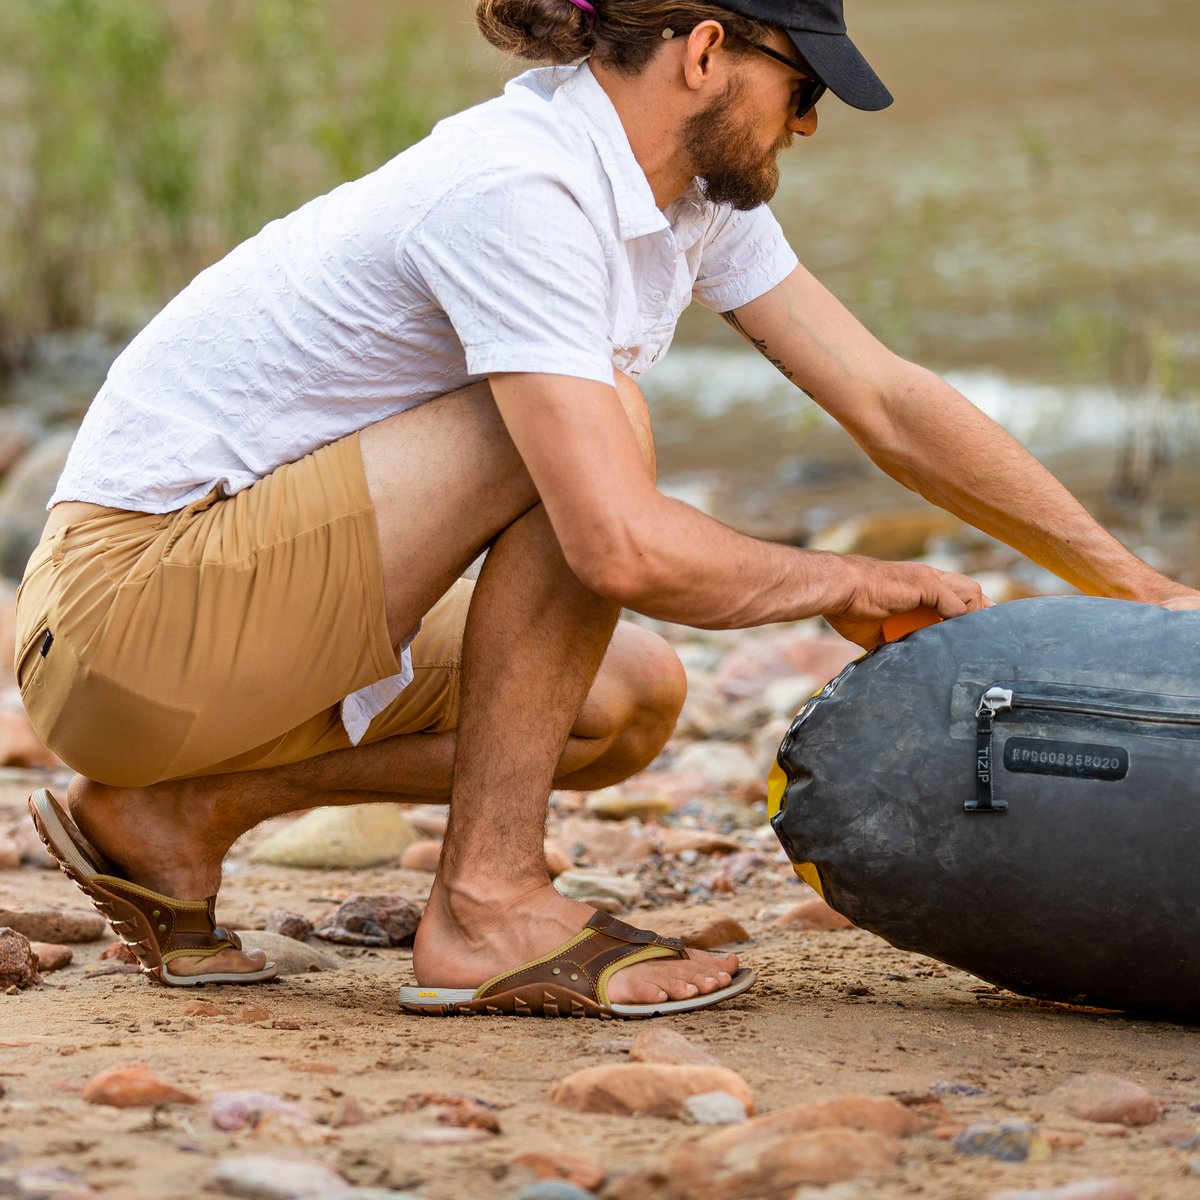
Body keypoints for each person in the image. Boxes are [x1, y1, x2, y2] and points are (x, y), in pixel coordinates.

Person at [17, 0, 1200, 1017]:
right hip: (132, 622)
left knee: (619, 703)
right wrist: (850, 579)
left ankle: (179, 812)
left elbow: (887, 401)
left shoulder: (686, 201)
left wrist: (1136, 587)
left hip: (222, 631)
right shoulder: (518, 185)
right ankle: (484, 908)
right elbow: (617, 543)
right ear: (702, 54)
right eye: (798, 84)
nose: (809, 121)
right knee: (594, 428)